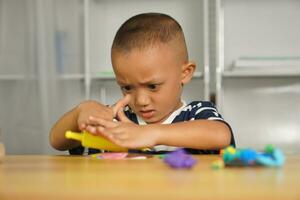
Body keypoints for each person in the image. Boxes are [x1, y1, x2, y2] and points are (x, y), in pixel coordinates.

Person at [49, 13, 235, 155]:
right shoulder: (117, 122)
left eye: (152, 86)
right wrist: (82, 111)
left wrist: (150, 133)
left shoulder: (196, 114)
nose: (141, 100)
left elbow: (220, 135)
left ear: (184, 73)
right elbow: (57, 141)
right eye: (127, 88)